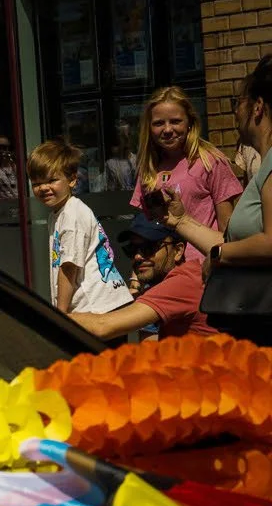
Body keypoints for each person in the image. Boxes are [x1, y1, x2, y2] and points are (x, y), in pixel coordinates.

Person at [164, 55, 272, 283]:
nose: (235, 112)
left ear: (258, 107)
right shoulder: (263, 168)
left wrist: (219, 255)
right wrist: (181, 220)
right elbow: (232, 242)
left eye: (238, 102)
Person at [132, 86, 241, 262]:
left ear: (189, 122)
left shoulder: (210, 161)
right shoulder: (148, 169)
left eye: (175, 121)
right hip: (163, 274)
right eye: (159, 123)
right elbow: (143, 231)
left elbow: (228, 231)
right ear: (149, 128)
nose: (167, 129)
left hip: (202, 268)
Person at [30, 137, 133, 316]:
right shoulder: (60, 214)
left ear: (72, 180)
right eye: (37, 183)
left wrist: (60, 313)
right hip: (101, 305)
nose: (43, 188)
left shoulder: (71, 215)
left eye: (52, 180)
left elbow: (69, 267)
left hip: (96, 308)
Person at [67, 215, 210, 339]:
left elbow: (103, 326)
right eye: (132, 249)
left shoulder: (180, 284)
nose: (137, 256)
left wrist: (53, 318)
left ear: (178, 250)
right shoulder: (190, 275)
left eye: (149, 248)